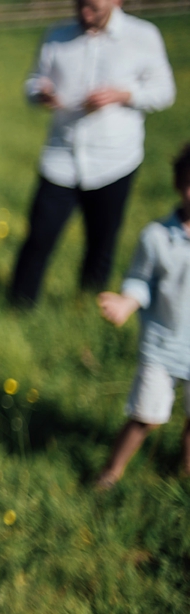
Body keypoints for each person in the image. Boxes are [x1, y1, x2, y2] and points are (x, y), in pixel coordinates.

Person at [9, 0, 176, 308]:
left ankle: (85, 309)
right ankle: (17, 308)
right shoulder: (57, 36)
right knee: (39, 236)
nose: (85, 14)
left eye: (94, 8)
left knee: (101, 243)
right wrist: (41, 92)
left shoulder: (143, 37)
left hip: (115, 159)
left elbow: (165, 92)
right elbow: (31, 82)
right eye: (79, 5)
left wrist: (122, 95)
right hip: (61, 156)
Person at [95, 144, 190, 489]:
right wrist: (126, 303)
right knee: (144, 417)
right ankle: (112, 471)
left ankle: (184, 476)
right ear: (178, 183)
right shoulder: (157, 237)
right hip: (163, 346)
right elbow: (140, 280)